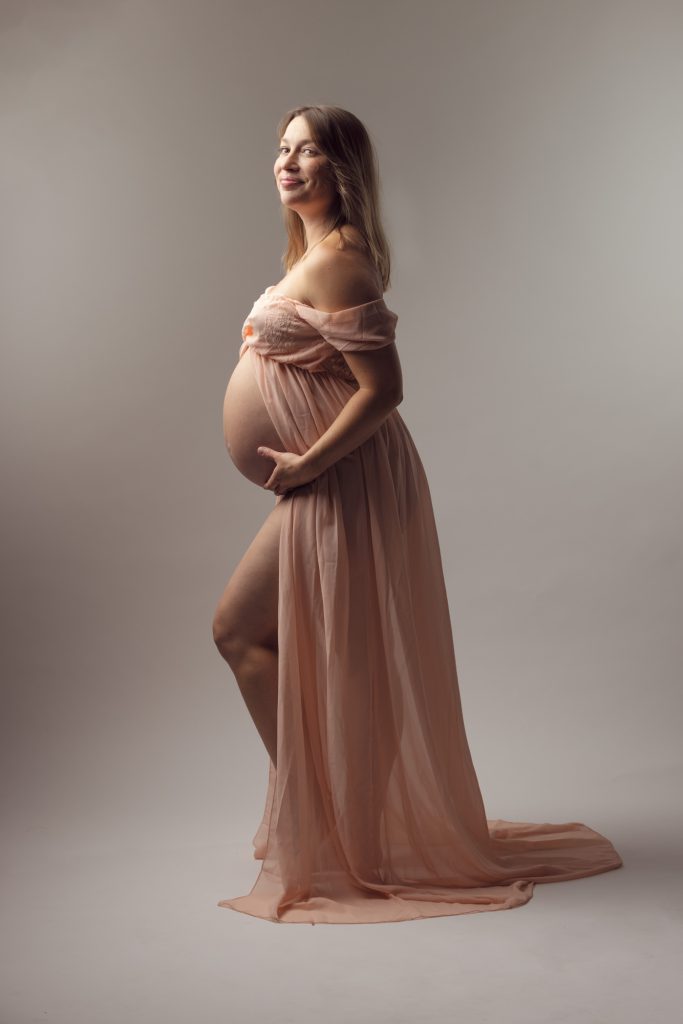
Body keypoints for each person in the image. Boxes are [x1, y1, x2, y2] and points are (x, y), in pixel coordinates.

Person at [212, 105, 623, 925]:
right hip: (327, 478)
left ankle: (328, 819)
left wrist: (308, 462)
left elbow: (384, 390)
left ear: (341, 169)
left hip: (344, 477)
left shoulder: (341, 260)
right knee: (264, 640)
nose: (287, 161)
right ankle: (322, 810)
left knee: (264, 637)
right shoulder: (312, 257)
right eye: (282, 148)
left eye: (307, 151)